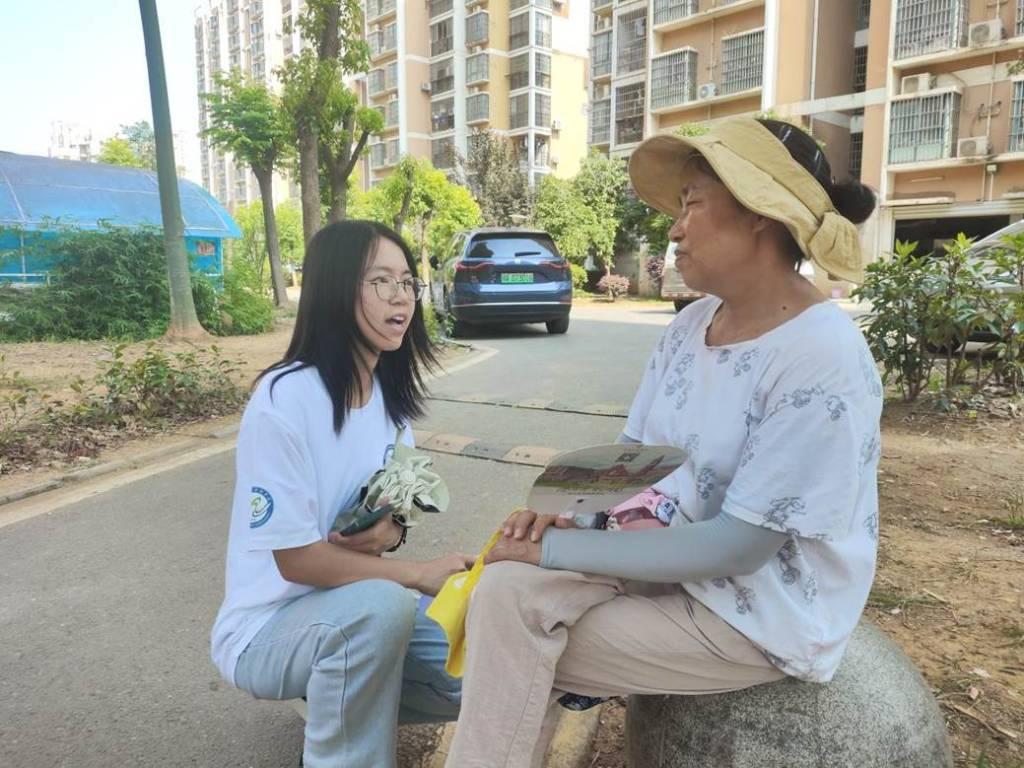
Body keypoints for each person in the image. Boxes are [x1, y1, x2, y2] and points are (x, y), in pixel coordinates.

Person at [444, 117, 884, 767]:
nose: (674, 230)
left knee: (507, 628)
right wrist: (563, 516)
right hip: (660, 558)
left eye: (693, 204)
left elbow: (740, 546)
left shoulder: (820, 357)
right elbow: (635, 455)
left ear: (761, 212)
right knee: (504, 583)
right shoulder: (692, 325)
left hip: (755, 614)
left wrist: (564, 547)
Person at [210, 220, 471, 768]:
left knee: (475, 670)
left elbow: (394, 516)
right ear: (334, 289)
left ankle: (340, 692)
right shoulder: (286, 399)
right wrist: (417, 572)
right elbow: (297, 559)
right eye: (381, 281)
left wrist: (391, 532)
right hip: (268, 629)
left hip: (348, 610)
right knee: (383, 605)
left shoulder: (389, 400)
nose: (401, 297)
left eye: (407, 282)